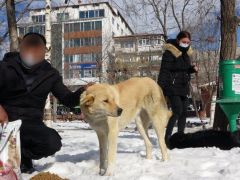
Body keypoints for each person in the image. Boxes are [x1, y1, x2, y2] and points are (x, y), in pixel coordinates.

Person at [0, 32, 93, 173]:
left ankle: (23, 156)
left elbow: (67, 99)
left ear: (44, 51)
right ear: (20, 47)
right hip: (4, 121)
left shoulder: (51, 75)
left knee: (52, 142)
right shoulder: (4, 67)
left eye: (37, 48)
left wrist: (83, 91)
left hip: (30, 125)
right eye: (27, 47)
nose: (31, 52)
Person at [157, 31, 198, 147]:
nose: (186, 44)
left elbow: (183, 69)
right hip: (172, 86)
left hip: (184, 87)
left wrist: (192, 69)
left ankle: (180, 137)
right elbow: (164, 70)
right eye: (183, 42)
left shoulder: (186, 55)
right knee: (177, 111)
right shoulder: (170, 53)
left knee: (184, 112)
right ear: (178, 41)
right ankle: (167, 138)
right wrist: (160, 88)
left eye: (188, 42)